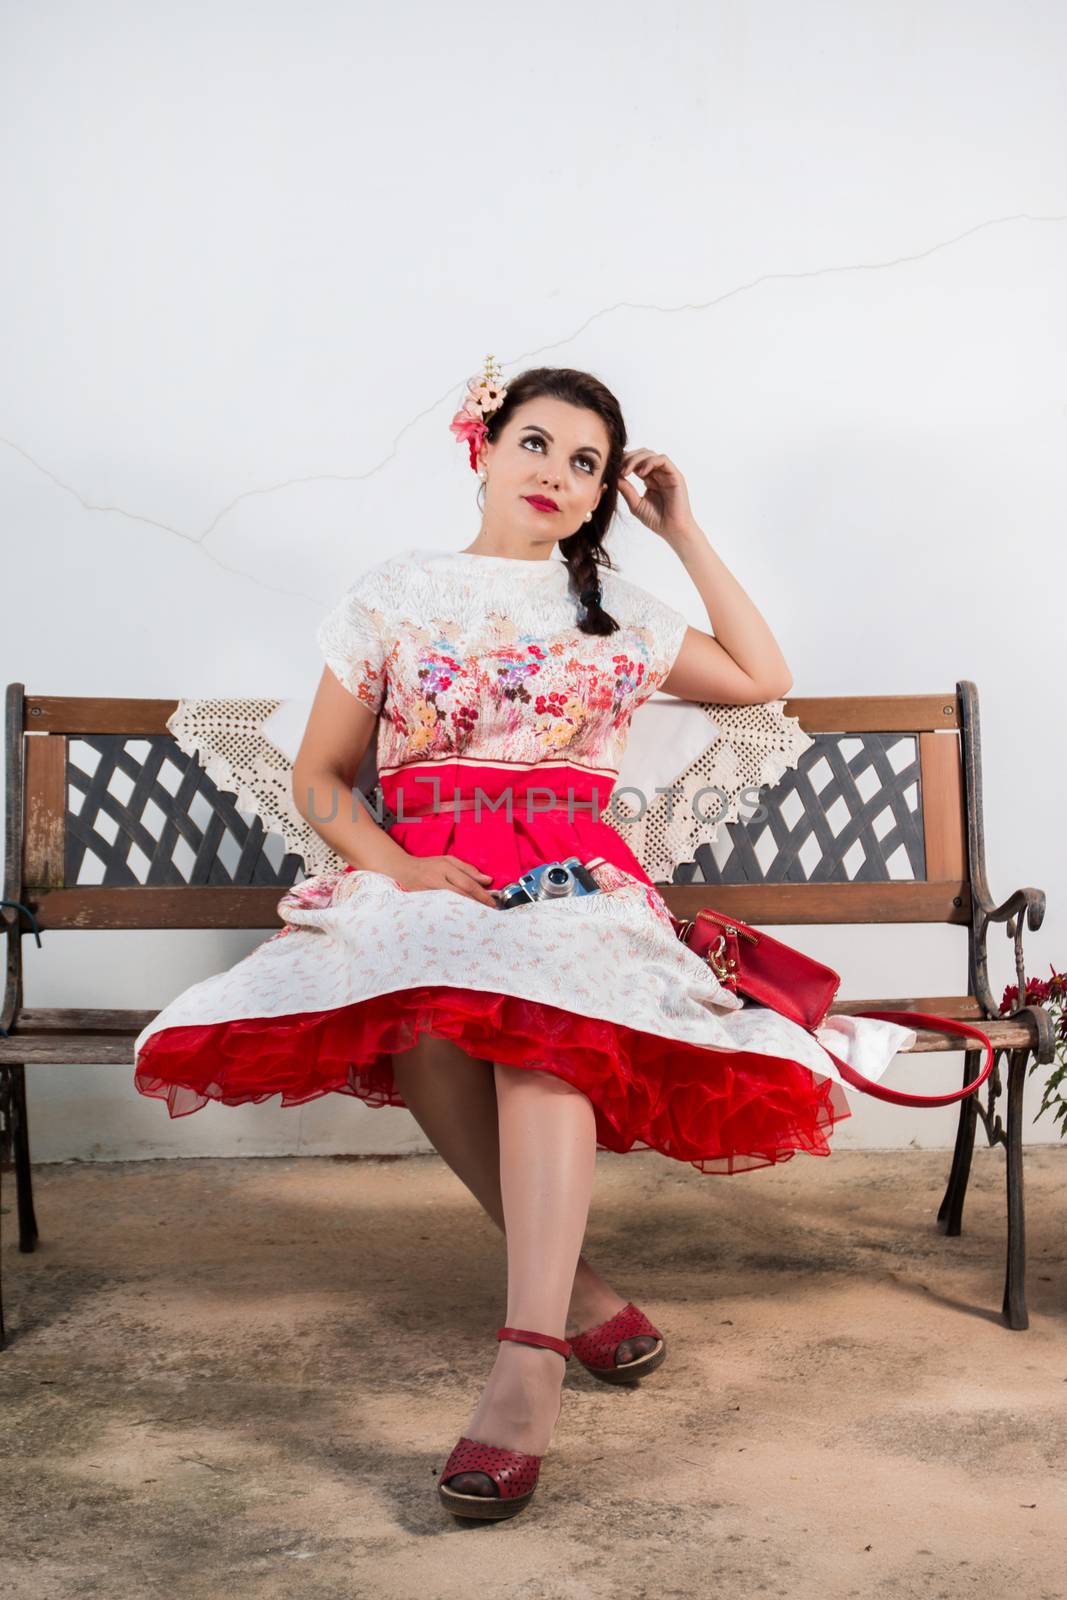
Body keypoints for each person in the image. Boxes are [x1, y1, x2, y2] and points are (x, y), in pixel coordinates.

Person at [133, 362, 916, 1521]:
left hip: (569, 874)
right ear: (484, 447)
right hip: (427, 868)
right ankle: (585, 1294)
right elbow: (318, 778)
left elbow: (763, 677)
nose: (557, 474)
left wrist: (683, 530)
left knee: (538, 1006)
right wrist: (400, 867)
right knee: (427, 1011)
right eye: (537, 445)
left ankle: (527, 1360)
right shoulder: (396, 591)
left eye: (586, 464)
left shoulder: (617, 615)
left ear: (604, 495)